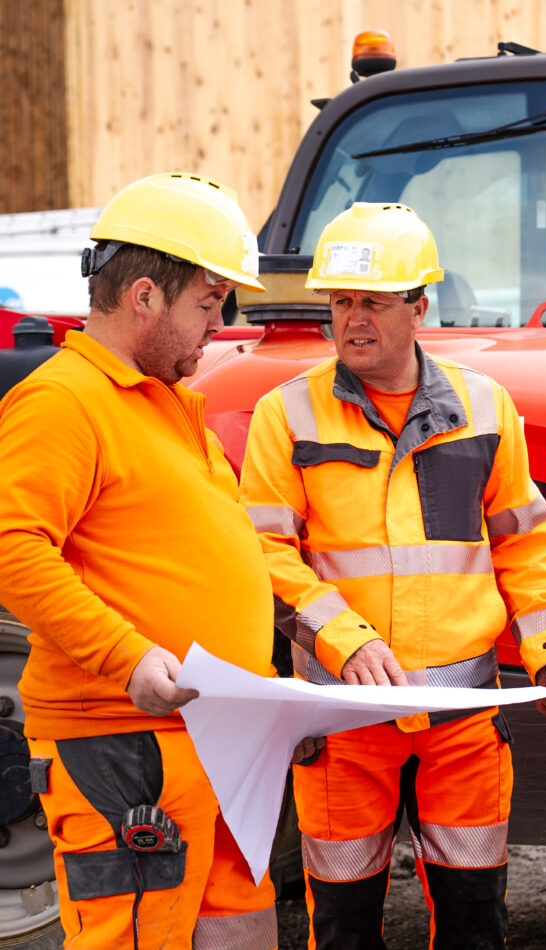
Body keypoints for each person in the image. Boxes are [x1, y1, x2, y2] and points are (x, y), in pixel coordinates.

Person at [239, 201, 546, 949]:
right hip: (342, 724)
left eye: (374, 302)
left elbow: (525, 541)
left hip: (462, 723)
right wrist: (342, 638)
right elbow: (262, 552)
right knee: (344, 927)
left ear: (420, 305)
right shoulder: (286, 415)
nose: (352, 320)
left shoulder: (484, 407)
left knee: (473, 921)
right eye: (340, 302)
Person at [0, 172, 282, 950]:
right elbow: (12, 548)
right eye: (208, 304)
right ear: (147, 296)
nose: (218, 326)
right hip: (125, 750)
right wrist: (125, 659)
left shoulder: (166, 404)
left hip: (215, 744)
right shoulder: (65, 401)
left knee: (243, 933)